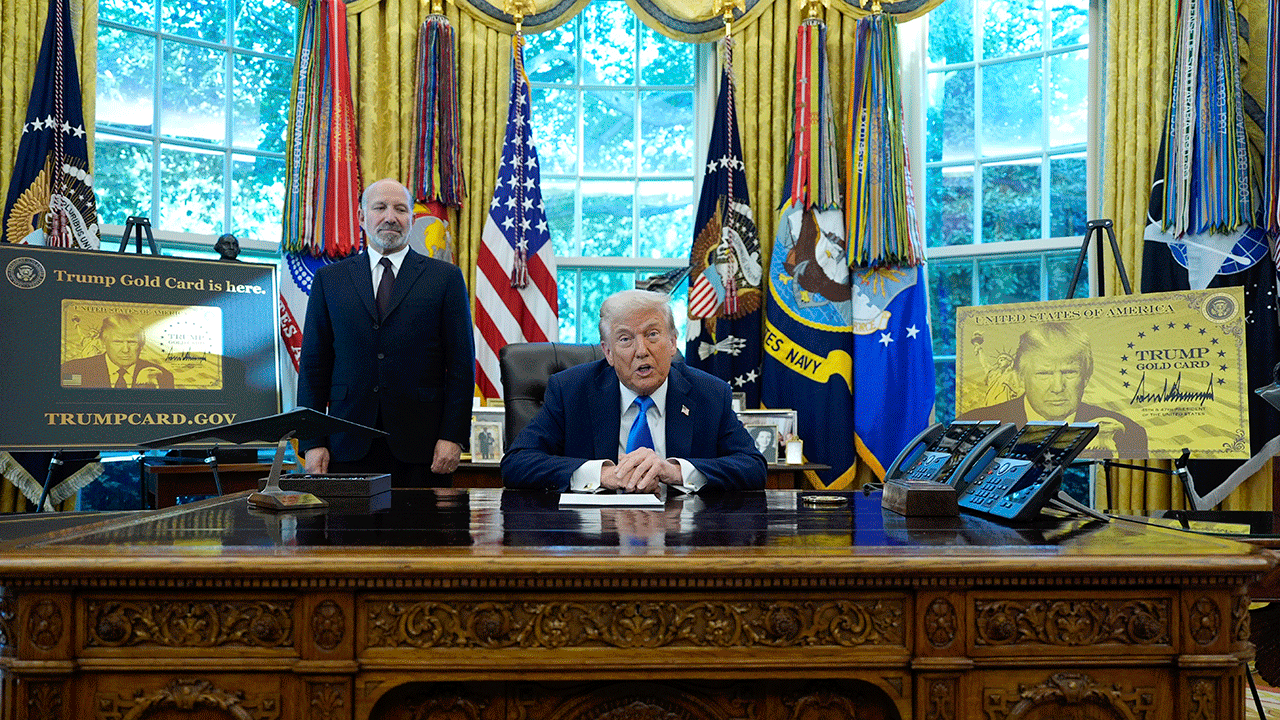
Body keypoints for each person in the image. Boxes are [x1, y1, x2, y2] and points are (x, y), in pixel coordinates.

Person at [296, 178, 475, 487]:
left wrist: (453, 436)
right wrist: (312, 441)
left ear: (412, 220)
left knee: (419, 535)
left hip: (423, 448)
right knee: (347, 536)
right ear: (362, 217)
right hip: (346, 443)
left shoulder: (445, 278)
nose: (390, 217)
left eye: (400, 209)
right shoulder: (329, 280)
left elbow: (461, 366)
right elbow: (313, 366)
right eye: (380, 208)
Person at [502, 289, 766, 494]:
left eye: (652, 334)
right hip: (594, 542)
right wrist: (601, 475)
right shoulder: (571, 390)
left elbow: (753, 467)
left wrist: (674, 471)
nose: (641, 350)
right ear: (608, 352)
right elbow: (517, 463)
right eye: (625, 339)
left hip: (682, 541)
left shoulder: (709, 393)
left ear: (673, 342)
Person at [959, 322, 1148, 456]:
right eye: (1044, 374)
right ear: (1020, 377)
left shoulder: (1129, 433)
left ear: (1087, 376)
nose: (1058, 387)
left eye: (1069, 372)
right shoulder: (973, 427)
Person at [61, 314, 174, 389]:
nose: (125, 350)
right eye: (118, 342)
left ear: (141, 345)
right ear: (103, 343)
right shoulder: (73, 369)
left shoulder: (163, 376)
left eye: (132, 342)